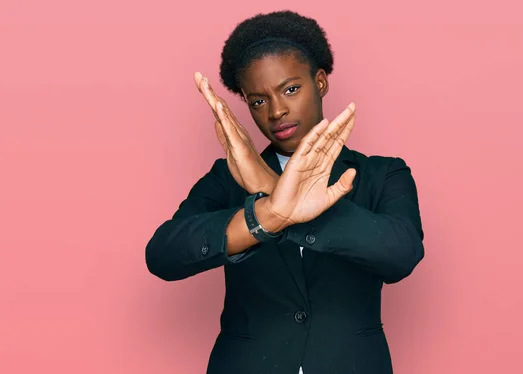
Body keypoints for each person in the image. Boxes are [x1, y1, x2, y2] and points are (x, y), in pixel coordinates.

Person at [145, 10, 425, 374]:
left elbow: (401, 255)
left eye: (290, 89)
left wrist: (274, 191)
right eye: (258, 100)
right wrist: (265, 216)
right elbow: (164, 255)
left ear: (320, 82)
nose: (276, 111)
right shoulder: (225, 178)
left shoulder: (382, 173)